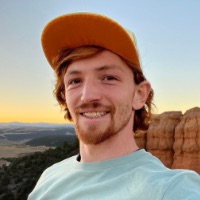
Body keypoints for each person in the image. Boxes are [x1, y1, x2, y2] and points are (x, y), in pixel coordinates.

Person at [28, 12, 200, 200]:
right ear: (64, 95)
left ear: (139, 94)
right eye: (75, 81)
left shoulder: (172, 189)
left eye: (109, 78)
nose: (88, 96)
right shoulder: (49, 177)